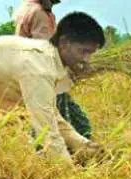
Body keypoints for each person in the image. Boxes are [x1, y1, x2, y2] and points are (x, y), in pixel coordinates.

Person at [0, 12, 104, 164]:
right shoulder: (38, 67)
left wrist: (85, 146)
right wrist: (71, 176)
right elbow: (47, 131)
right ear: (65, 43)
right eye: (84, 52)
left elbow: (51, 114)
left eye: (91, 53)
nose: (87, 60)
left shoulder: (46, 59)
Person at [15, 0, 93, 139]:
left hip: (34, 74)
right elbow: (44, 48)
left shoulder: (29, 8)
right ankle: (74, 155)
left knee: (48, 120)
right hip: (44, 75)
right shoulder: (39, 13)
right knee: (75, 124)